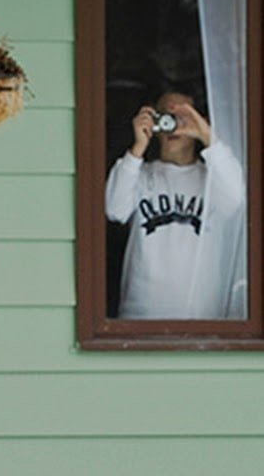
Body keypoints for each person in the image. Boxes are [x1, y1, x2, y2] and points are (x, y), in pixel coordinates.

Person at [105, 91, 245, 319]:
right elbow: (114, 209)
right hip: (141, 317)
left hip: (202, 319)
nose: (173, 126)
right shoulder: (140, 175)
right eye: (164, 117)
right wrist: (137, 147)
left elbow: (237, 199)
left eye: (183, 116)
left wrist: (207, 136)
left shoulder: (214, 180)